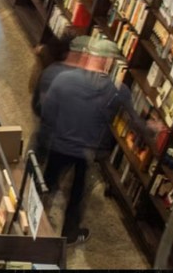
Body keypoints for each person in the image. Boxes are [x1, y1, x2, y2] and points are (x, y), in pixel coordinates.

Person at [38, 37, 146, 245]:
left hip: (59, 144)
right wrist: (154, 130)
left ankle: (32, 222)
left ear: (88, 55)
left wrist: (47, 140)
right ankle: (69, 234)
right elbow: (136, 122)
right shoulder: (117, 90)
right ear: (109, 62)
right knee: (77, 195)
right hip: (85, 152)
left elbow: (48, 112)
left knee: (47, 184)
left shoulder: (64, 78)